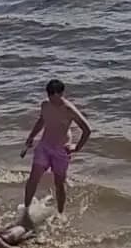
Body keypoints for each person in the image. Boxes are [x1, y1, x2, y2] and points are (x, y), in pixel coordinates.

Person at [20, 78, 91, 215]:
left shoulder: (69, 109)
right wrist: (31, 136)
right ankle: (26, 211)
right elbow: (42, 120)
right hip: (44, 146)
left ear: (61, 94)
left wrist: (77, 147)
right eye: (49, 95)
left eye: (54, 96)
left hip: (61, 150)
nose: (51, 99)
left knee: (59, 184)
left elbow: (87, 129)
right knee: (33, 178)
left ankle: (60, 214)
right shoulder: (45, 105)